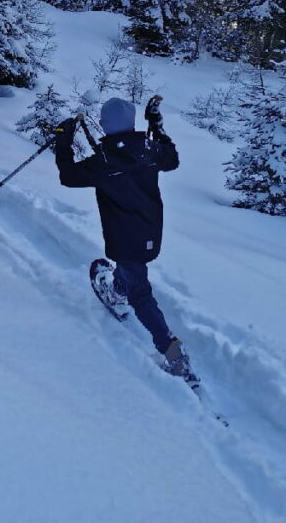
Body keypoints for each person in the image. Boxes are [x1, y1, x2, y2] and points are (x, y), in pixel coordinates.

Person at [54, 95, 198, 385]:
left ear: (107, 125)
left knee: (141, 295)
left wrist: (63, 138)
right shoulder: (149, 149)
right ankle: (117, 289)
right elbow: (172, 158)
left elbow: (68, 176)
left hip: (124, 237)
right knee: (131, 271)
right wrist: (155, 124)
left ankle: (174, 354)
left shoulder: (104, 162)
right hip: (150, 233)